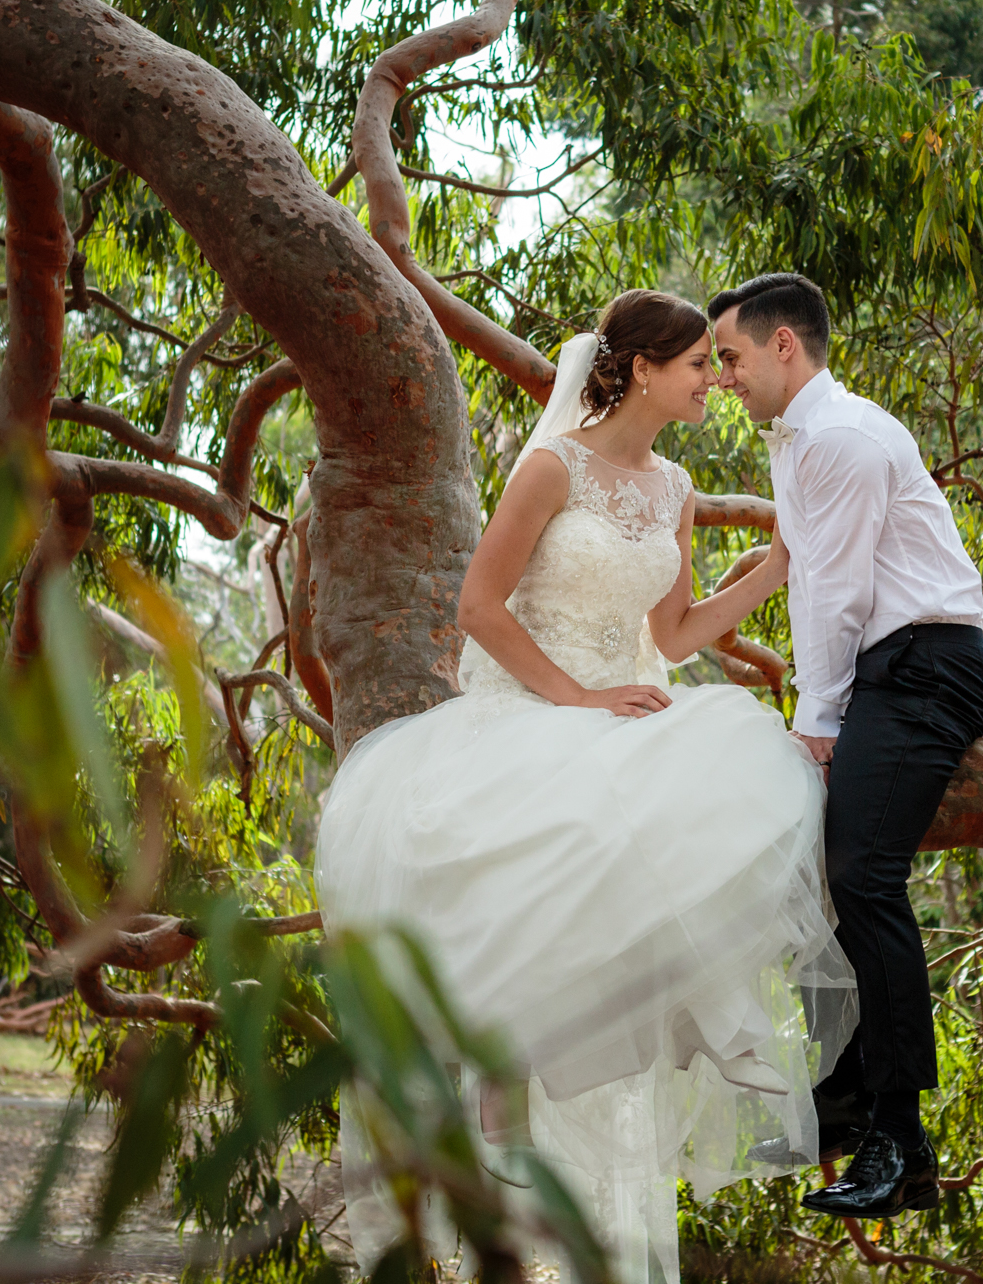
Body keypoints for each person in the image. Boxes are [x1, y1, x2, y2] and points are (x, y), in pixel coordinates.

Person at [318, 289, 854, 1284]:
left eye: (716, 363)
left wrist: (770, 573)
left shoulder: (675, 487)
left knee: (725, 805)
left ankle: (601, 1206)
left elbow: (675, 636)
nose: (713, 379)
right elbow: (479, 607)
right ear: (643, 369)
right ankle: (497, 1187)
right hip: (534, 718)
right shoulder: (548, 466)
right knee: (532, 961)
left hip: (628, 711)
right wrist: (576, 699)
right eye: (699, 363)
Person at [707, 273, 983, 1220]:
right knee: (805, 869)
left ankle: (900, 1133)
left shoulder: (838, 438)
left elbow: (835, 598)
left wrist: (816, 724)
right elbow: (810, 588)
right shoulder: (800, 443)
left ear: (784, 345)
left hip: (926, 665)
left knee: (864, 874)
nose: (723, 378)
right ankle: (838, 1112)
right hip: (884, 668)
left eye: (732, 358)